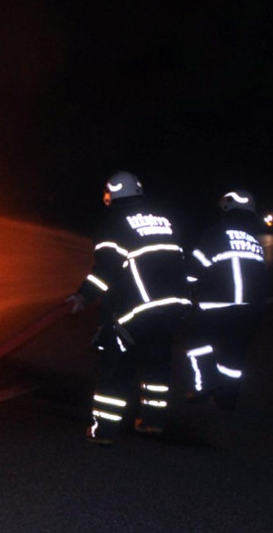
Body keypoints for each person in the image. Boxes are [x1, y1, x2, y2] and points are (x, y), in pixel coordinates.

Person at [66, 171, 191, 444]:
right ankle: (152, 423)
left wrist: (82, 296)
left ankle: (103, 431)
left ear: (110, 194)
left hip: (137, 310)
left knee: (115, 369)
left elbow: (105, 271)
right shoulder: (163, 220)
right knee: (157, 367)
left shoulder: (114, 224)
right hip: (174, 307)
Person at [182, 189, 267, 410]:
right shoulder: (254, 241)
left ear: (225, 211)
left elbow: (194, 269)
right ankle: (227, 398)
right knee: (234, 357)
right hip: (251, 309)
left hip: (215, 305)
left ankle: (204, 386)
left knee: (196, 343)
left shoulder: (216, 234)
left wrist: (186, 290)